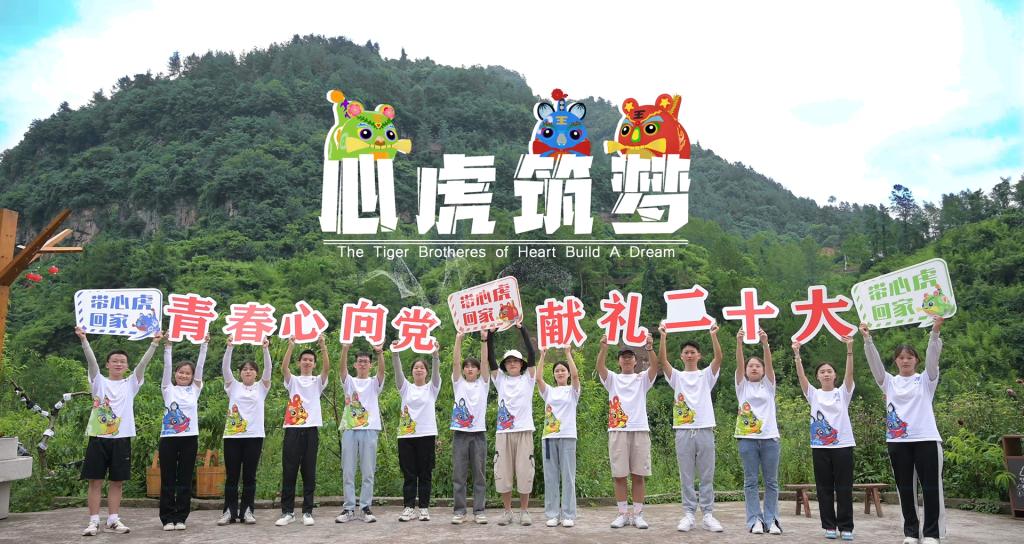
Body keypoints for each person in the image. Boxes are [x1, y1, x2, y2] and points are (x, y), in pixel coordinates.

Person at [861, 317, 946, 544]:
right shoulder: (888, 382)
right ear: (896, 361)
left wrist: (935, 332)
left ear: (916, 360)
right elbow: (875, 365)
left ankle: (932, 534)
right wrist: (868, 340)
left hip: (926, 439)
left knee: (931, 488)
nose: (905, 360)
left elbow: (933, 358)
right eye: (901, 357)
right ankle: (910, 533)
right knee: (905, 489)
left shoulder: (926, 380)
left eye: (909, 357)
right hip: (898, 442)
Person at [76, 326, 160, 537]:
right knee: (95, 480)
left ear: (127, 366)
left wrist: (154, 343)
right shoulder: (98, 382)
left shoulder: (131, 383)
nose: (118, 364)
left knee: (117, 481)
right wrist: (84, 340)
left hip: (122, 438)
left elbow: (143, 365)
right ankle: (94, 521)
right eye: (115, 361)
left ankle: (113, 519)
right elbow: (91, 363)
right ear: (107, 364)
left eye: (122, 361)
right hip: (98, 437)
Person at [659, 323, 725, 533]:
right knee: (686, 475)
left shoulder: (706, 375)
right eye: (686, 352)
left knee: (707, 475)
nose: (689, 355)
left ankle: (708, 514)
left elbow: (719, 359)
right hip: (683, 430)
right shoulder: (677, 377)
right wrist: (663, 337)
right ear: (681, 356)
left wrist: (713, 336)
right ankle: (688, 513)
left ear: (699, 355)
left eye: (692, 352)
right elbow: (663, 362)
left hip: (705, 428)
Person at [793, 335, 856, 541]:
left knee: (844, 488)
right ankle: (829, 525)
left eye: (829, 371)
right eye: (822, 372)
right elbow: (801, 376)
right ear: (818, 377)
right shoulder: (813, 394)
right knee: (824, 489)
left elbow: (850, 374)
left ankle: (846, 527)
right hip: (820, 447)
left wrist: (849, 350)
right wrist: (797, 354)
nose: (826, 374)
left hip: (843, 446)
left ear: (835, 375)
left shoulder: (843, 392)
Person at [596, 331, 659, 530]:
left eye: (630, 356)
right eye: (623, 356)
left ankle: (638, 514)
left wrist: (650, 348)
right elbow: (600, 367)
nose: (627, 359)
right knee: (619, 475)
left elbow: (655, 367)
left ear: (635, 361)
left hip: (639, 429)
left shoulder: (642, 379)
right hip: (617, 430)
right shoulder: (613, 379)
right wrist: (603, 348)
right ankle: (623, 514)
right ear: (619, 361)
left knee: (638, 475)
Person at [275, 335, 330, 527]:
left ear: (314, 364)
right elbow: (284, 368)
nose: (307, 362)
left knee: (309, 471)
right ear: (299, 363)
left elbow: (327, 369)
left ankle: (307, 511)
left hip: (311, 430)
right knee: (289, 471)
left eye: (310, 360)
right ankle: (287, 512)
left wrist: (323, 346)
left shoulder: (317, 381)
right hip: (292, 429)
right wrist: (291, 346)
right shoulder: (293, 380)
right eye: (304, 359)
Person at [486, 323, 537, 527]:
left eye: (516, 360)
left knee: (525, 473)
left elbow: (532, 354)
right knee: (503, 473)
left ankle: (524, 511)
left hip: (524, 431)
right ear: (505, 365)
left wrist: (522, 329)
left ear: (521, 364)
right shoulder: (500, 379)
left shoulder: (529, 378)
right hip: (504, 432)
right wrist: (490, 335)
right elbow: (490, 358)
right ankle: (507, 512)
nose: (513, 363)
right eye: (509, 361)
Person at [218, 339, 272, 525]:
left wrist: (265, 349)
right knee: (232, 476)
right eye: (244, 369)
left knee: (249, 476)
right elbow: (225, 368)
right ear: (240, 373)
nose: (248, 371)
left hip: (254, 436)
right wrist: (229, 347)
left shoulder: (262, 387)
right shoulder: (233, 386)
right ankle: (229, 512)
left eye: (251, 369)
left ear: (256, 373)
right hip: (232, 437)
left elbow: (269, 369)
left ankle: (248, 511)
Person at [158, 335, 208, 531]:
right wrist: (168, 347)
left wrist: (204, 346)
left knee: (185, 479)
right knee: (168, 478)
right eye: (181, 372)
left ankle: (181, 517)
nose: (184, 375)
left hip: (189, 438)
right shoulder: (167, 388)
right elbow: (166, 367)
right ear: (175, 374)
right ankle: (167, 518)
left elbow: (201, 367)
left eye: (188, 373)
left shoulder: (195, 389)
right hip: (168, 438)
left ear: (192, 376)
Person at [734, 328, 781, 535]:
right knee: (750, 482)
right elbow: (738, 363)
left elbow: (770, 365)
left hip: (770, 438)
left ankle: (771, 520)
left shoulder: (769, 386)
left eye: (757, 366)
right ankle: (755, 520)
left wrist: (765, 344)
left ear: (762, 370)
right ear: (745, 370)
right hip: (747, 439)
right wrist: (739, 343)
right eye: (750, 366)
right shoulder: (742, 386)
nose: (754, 368)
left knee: (771, 482)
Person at [335, 341, 386, 524]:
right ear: (355, 364)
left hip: (369, 429)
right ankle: (348, 508)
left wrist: (379, 353)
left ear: (370, 365)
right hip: (350, 429)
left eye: (366, 361)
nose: (363, 364)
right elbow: (341, 370)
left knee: (368, 471)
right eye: (360, 361)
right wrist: (345, 349)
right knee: (348, 470)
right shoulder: (349, 382)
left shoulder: (374, 383)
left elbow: (382, 373)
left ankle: (365, 507)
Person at [392, 343, 441, 522]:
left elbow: (436, 373)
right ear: (411, 372)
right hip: (406, 436)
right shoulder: (405, 387)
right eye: (415, 367)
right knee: (409, 474)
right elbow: (398, 372)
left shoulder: (432, 388)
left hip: (426, 435)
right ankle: (409, 507)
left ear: (426, 372)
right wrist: (395, 354)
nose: (419, 370)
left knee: (425, 473)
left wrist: (435, 355)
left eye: (422, 368)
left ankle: (424, 508)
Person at [536, 345, 580, 528]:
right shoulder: (549, 391)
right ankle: (553, 514)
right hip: (549, 438)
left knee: (568, 476)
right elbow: (538, 378)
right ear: (553, 375)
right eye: (557, 371)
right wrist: (543, 355)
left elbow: (576, 377)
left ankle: (568, 514)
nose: (560, 373)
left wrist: (568, 353)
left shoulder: (572, 391)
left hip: (568, 436)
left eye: (563, 370)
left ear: (567, 373)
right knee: (551, 477)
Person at [449, 331, 490, 525]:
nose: (470, 368)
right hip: (460, 434)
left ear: (479, 370)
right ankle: (459, 511)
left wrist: (484, 339)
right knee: (459, 474)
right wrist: (459, 339)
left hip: (479, 434)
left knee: (479, 475)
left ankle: (479, 510)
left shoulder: (484, 383)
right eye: (467, 366)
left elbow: (486, 361)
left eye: (473, 366)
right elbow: (455, 363)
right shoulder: (458, 383)